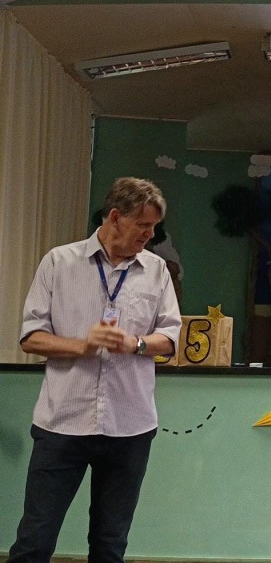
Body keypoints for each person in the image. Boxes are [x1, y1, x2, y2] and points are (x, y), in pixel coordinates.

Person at [8, 177, 182, 563]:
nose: (151, 234)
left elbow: (170, 339)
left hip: (130, 427)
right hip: (62, 424)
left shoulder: (157, 271)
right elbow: (31, 337)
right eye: (143, 225)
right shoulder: (59, 262)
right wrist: (81, 346)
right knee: (35, 540)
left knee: (109, 545)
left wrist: (136, 344)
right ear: (115, 217)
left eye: (154, 226)